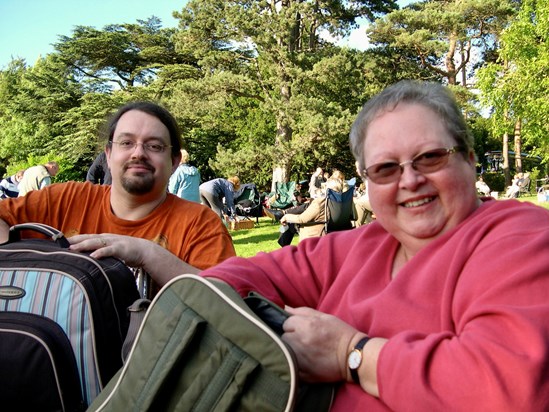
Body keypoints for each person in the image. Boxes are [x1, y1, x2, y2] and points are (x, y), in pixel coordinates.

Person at [197, 80, 549, 410]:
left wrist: (350, 354)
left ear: (469, 160)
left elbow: (506, 390)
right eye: (385, 168)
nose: (410, 179)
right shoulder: (363, 243)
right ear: (367, 181)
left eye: (430, 157)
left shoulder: (522, 238)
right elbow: (236, 278)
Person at [0, 101, 235, 288]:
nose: (138, 153)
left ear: (174, 162)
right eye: (126, 142)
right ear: (109, 155)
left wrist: (147, 254)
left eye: (154, 146)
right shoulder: (64, 199)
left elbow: (225, 302)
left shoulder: (201, 224)